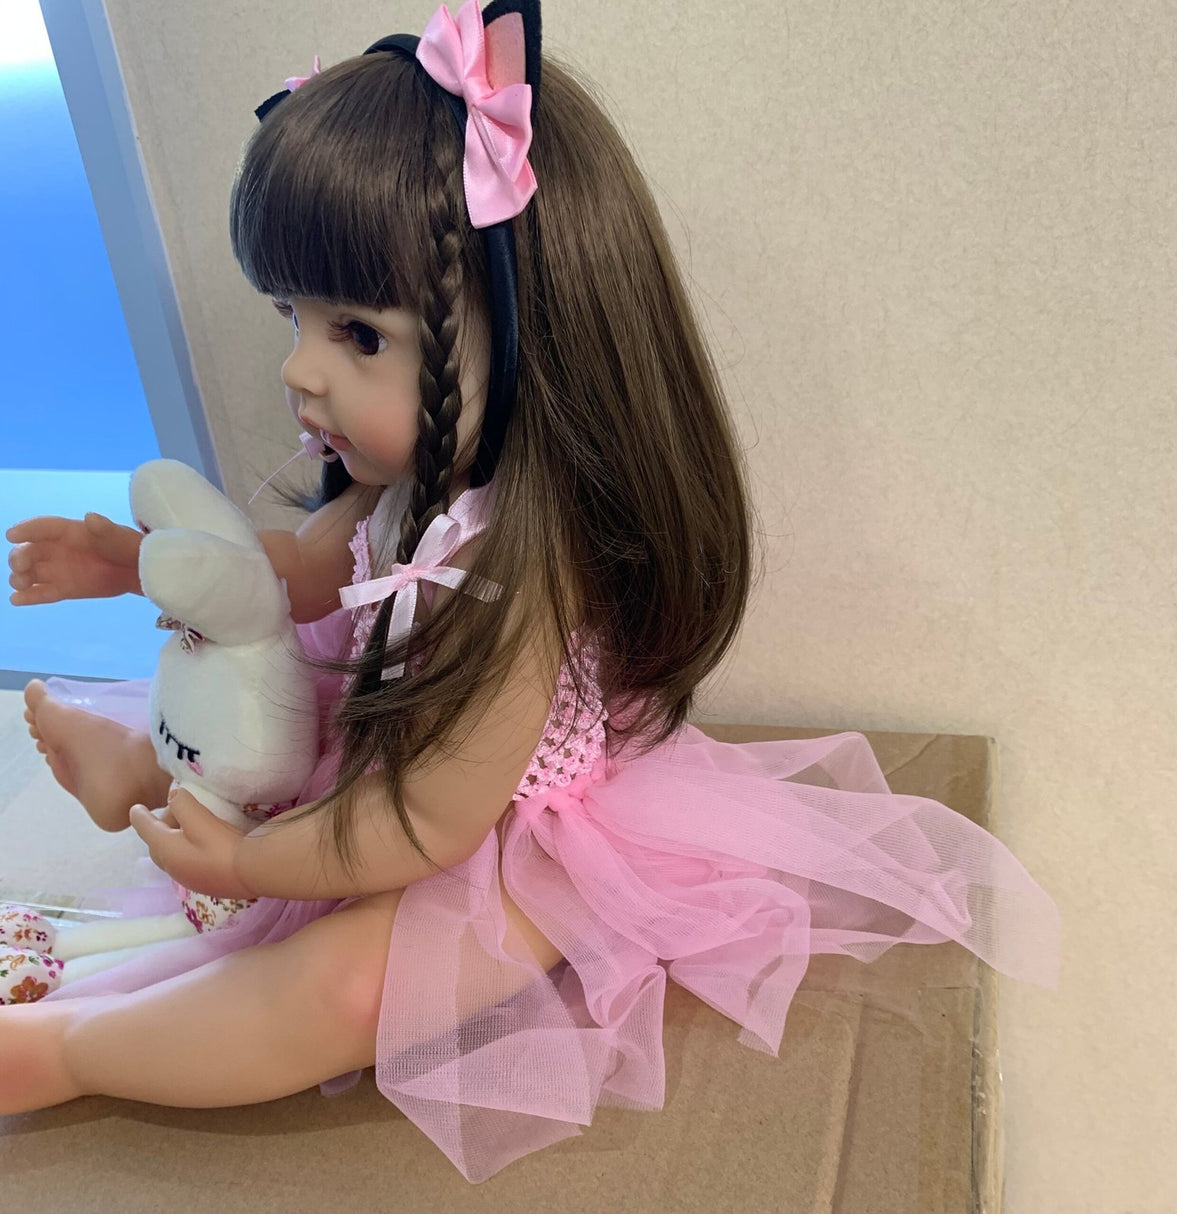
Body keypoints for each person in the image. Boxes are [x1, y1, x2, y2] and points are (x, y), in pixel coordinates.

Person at [1, 0, 1059, 1183]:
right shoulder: (397, 486)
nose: (299, 370)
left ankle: (68, 1049)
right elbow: (293, 577)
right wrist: (135, 554)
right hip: (383, 754)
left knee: (351, 985)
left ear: (527, 338)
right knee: (256, 706)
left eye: (356, 333)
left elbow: (426, 824)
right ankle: (144, 770)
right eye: (290, 318)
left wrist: (254, 867)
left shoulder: (520, 575)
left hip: (508, 843)